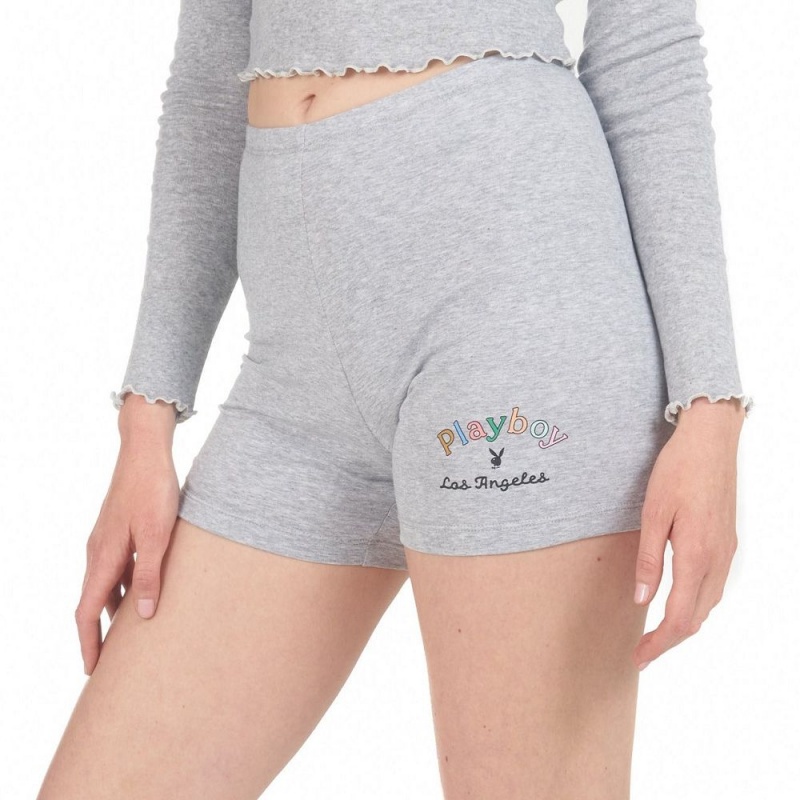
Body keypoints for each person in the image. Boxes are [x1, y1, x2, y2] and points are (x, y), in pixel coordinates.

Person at [38, 0, 753, 797]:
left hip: (511, 325)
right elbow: (209, 86)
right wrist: (146, 423)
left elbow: (647, 50)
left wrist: (710, 406)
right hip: (290, 386)